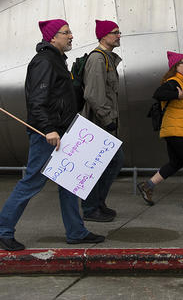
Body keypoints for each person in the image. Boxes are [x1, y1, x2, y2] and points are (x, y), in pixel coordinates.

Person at [0, 19, 104, 251]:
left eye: (70, 32)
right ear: (53, 37)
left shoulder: (57, 61)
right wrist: (48, 129)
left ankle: (76, 232)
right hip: (49, 134)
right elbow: (37, 100)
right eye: (66, 32)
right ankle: (2, 230)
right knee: (32, 182)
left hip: (63, 131)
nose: (71, 36)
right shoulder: (44, 61)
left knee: (69, 184)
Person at [137, 51, 183, 209]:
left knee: (176, 162)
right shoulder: (173, 82)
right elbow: (158, 93)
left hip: (179, 129)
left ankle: (148, 186)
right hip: (179, 130)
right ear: (175, 67)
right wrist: (175, 95)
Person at [79, 19, 124, 222]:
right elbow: (93, 94)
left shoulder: (108, 58)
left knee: (112, 162)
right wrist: (107, 119)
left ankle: (98, 202)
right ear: (103, 36)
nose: (118, 35)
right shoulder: (98, 59)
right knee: (97, 165)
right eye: (114, 32)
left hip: (105, 122)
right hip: (98, 123)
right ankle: (90, 208)